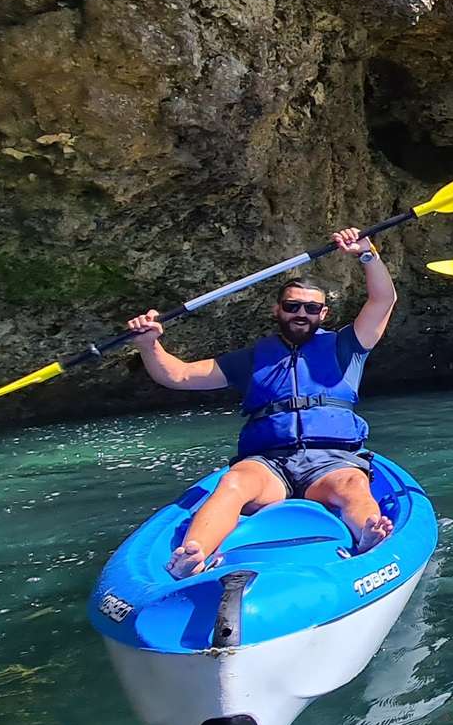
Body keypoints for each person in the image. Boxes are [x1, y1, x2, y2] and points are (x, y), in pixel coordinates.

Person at [125, 228, 396, 577]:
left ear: (323, 314)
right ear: (277, 310)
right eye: (292, 306)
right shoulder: (252, 358)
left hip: (331, 462)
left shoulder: (348, 347)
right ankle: (192, 556)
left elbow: (382, 301)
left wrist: (366, 253)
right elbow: (178, 376)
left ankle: (367, 535)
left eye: (311, 308)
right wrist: (149, 345)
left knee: (352, 484)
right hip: (269, 464)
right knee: (233, 482)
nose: (301, 313)